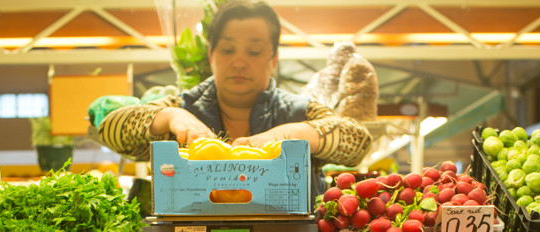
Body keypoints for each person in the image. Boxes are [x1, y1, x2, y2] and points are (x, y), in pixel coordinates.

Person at [96, 0, 373, 194]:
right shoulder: (183, 107)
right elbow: (111, 129)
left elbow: (357, 141)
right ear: (211, 56)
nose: (239, 63)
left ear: (273, 59)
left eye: (253, 52)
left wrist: (294, 134)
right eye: (228, 50)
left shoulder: (300, 111)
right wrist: (170, 116)